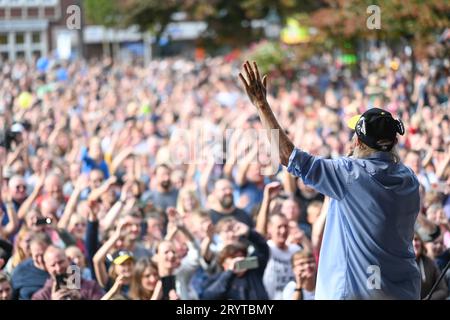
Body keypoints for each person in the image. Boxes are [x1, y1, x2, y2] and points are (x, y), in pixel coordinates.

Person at [239, 61, 421, 299]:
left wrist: (262, 105)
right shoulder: (410, 180)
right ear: (395, 142)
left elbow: (287, 155)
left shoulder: (348, 174)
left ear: (357, 143)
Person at [200, 223, 269, 300]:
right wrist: (230, 273)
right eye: (233, 258)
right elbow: (207, 296)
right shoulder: (218, 279)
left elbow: (263, 250)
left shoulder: (253, 270)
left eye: (240, 257)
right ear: (224, 264)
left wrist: (249, 233)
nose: (238, 262)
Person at [31, 246, 104, 300]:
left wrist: (81, 298)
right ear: (47, 267)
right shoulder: (41, 297)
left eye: (61, 262)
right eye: (53, 265)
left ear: (69, 260)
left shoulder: (91, 287)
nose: (58, 268)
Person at [11, 232, 50, 299]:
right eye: (36, 256)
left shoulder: (65, 265)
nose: (40, 260)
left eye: (43, 255)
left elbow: (74, 290)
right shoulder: (20, 270)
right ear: (31, 253)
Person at [413, 232, 448, 299]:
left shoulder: (430, 263)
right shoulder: (400, 265)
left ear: (421, 243)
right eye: (410, 240)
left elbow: (443, 290)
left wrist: (428, 298)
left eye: (416, 239)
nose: (414, 243)